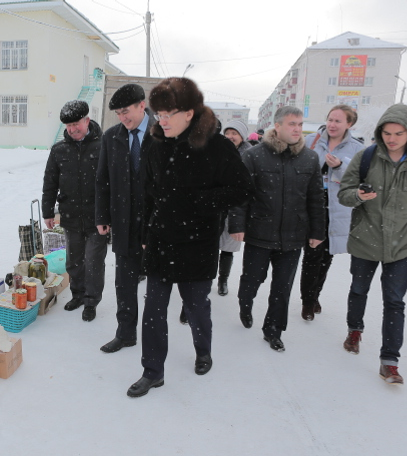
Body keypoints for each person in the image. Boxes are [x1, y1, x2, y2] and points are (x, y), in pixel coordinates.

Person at [127, 78, 253, 398]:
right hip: (161, 240)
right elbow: (146, 193)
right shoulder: (156, 145)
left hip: (198, 243)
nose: (162, 121)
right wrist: (145, 233)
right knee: (153, 311)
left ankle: (203, 351)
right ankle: (152, 371)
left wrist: (201, 202)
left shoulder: (217, 146)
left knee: (196, 307)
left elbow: (242, 188)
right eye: (159, 114)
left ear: (189, 113)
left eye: (168, 114)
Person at [338, 104, 407, 385]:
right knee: (359, 289)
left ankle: (390, 361)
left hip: (403, 244)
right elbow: (344, 193)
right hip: (365, 240)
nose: (391, 139)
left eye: (398, 134)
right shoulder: (366, 157)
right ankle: (354, 330)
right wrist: (359, 195)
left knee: (394, 302)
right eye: (387, 133)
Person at [228, 106, 325, 352]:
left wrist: (317, 232)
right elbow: (240, 194)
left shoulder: (310, 158)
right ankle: (245, 303)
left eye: (300, 124)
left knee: (282, 288)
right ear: (278, 126)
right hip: (259, 233)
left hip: (293, 236)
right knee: (251, 281)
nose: (297, 129)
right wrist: (237, 224)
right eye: (292, 124)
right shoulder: (255, 155)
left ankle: (273, 330)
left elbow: (315, 198)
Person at [95, 84, 156, 353]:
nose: (123, 118)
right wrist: (102, 215)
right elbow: (102, 180)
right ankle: (126, 333)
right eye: (118, 113)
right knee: (125, 282)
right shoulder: (112, 137)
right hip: (124, 222)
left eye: (126, 111)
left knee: (157, 286)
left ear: (142, 105)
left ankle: (154, 337)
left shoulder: (163, 133)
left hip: (155, 223)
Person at [42, 100, 107, 321]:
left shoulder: (104, 146)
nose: (72, 129)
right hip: (70, 216)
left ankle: (91, 301)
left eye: (76, 124)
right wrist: (48, 211)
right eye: (68, 126)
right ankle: (78, 295)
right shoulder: (59, 150)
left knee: (94, 261)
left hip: (98, 218)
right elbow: (50, 183)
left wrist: (110, 215)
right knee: (74, 261)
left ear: (87, 120)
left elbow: (114, 183)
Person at [298, 105, 364, 320]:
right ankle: (307, 301)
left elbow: (359, 180)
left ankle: (315, 294)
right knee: (312, 254)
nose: (332, 125)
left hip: (338, 207)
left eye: (338, 121)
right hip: (313, 204)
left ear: (349, 124)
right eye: (330, 119)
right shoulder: (311, 141)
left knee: (326, 256)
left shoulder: (357, 148)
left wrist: (340, 166)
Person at [217, 120, 252, 296]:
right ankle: (206, 279)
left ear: (242, 137)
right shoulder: (217, 150)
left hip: (235, 209)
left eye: (234, 133)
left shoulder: (248, 155)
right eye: (228, 133)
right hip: (217, 206)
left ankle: (223, 280)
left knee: (228, 248)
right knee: (210, 246)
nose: (230, 136)